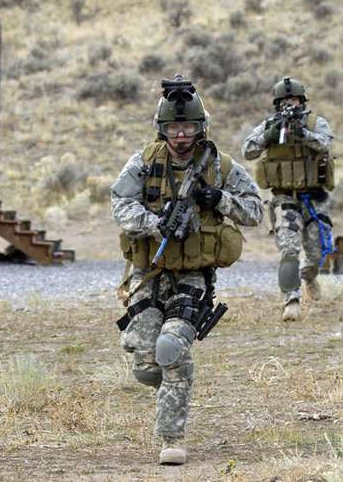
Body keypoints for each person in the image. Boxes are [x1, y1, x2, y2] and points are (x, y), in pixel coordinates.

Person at [111, 74, 262, 465]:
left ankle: (171, 439)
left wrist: (219, 199)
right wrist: (153, 223)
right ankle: (168, 379)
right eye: (174, 129)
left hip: (193, 275)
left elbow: (256, 211)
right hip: (148, 272)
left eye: (189, 128)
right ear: (161, 129)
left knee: (171, 349)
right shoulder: (144, 162)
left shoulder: (219, 165)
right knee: (147, 368)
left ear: (201, 128)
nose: (181, 137)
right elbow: (119, 205)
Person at [242, 77, 335, 322]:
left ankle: (308, 275)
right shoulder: (270, 125)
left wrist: (303, 134)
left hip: (314, 198)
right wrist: (268, 136)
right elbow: (247, 150)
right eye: (284, 101)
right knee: (289, 248)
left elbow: (325, 144)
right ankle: (291, 300)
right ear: (276, 104)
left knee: (316, 253)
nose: (289, 104)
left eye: (292, 100)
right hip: (284, 197)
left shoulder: (315, 123)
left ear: (301, 101)